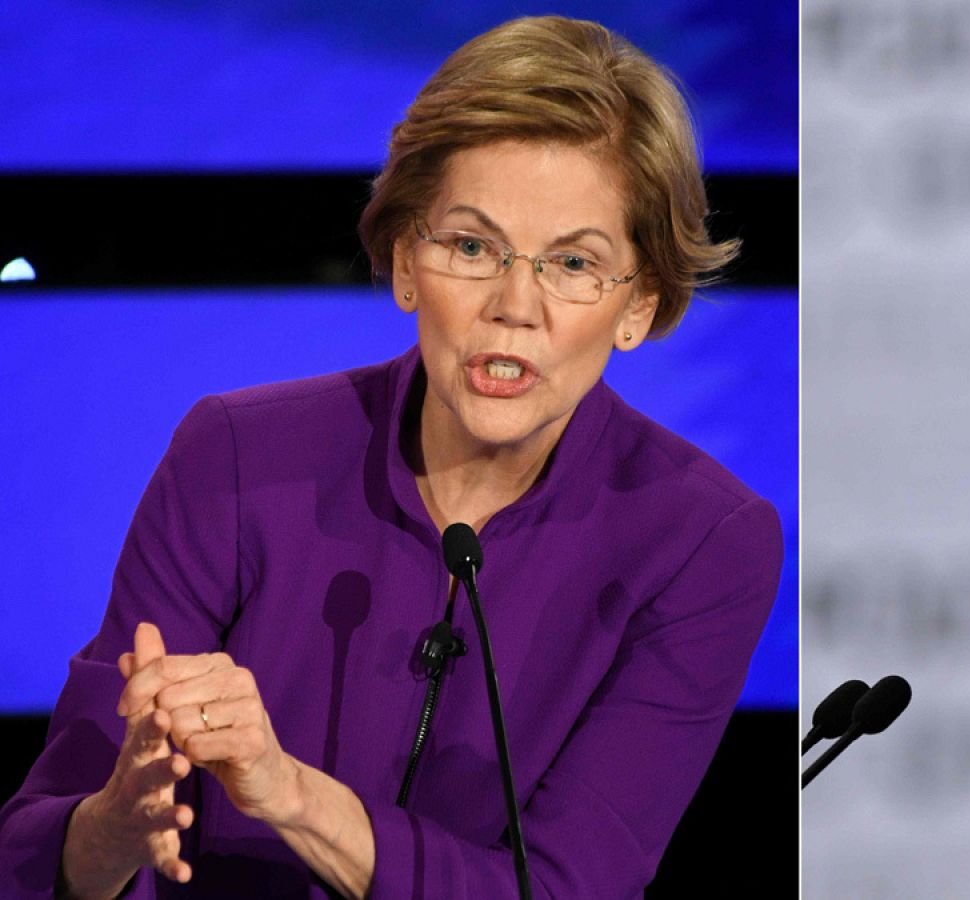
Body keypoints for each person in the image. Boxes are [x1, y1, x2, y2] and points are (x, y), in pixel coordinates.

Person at [0, 16, 783, 899]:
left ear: (639, 305)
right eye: (472, 246)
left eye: (573, 262)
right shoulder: (235, 458)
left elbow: (572, 888)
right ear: (408, 261)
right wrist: (111, 825)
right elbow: (32, 853)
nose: (515, 304)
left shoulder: (701, 541)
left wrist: (292, 796)